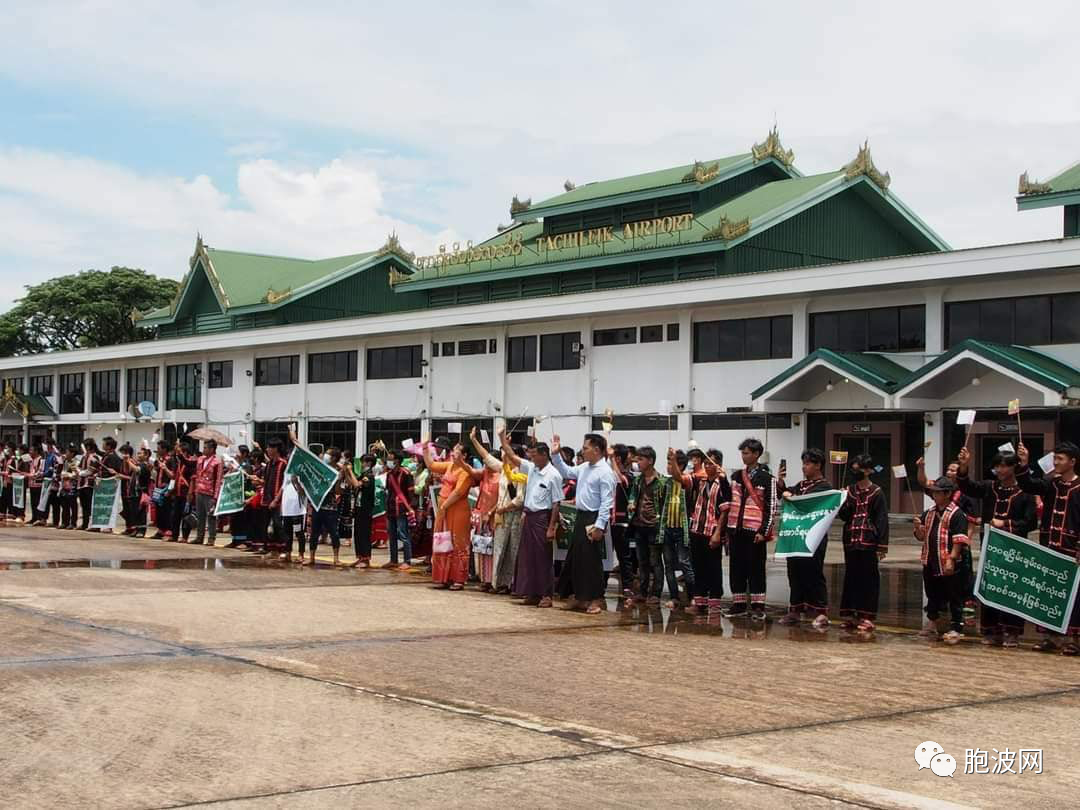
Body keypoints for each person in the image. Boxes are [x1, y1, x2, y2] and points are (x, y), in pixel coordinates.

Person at [956, 446, 1037, 647]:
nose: (1000, 470)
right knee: (991, 587)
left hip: (1014, 549)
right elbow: (968, 487)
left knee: (1011, 589)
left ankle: (1012, 632)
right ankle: (992, 630)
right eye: (997, 466)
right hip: (991, 548)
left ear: (1014, 467)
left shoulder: (1025, 492)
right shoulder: (990, 487)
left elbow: (1031, 522)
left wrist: (1006, 524)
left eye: (1004, 466)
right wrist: (964, 467)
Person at [1016, 441, 1080, 654]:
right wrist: (1024, 463)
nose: (1056, 462)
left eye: (1060, 459)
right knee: (1049, 593)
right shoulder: (1051, 484)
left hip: (1073, 551)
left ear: (1072, 462)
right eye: (1055, 458)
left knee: (1075, 596)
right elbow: (1027, 484)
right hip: (1050, 548)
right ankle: (1051, 637)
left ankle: (1074, 640)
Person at [551, 432, 615, 614]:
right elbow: (566, 471)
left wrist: (600, 526)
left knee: (591, 560)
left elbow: (606, 502)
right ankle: (579, 597)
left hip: (594, 518)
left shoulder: (605, 472)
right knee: (576, 558)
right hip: (581, 516)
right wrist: (555, 454)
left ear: (596, 450)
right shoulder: (585, 467)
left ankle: (596, 598)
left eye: (585, 448)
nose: (582, 451)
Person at [498, 429, 561, 607]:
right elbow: (511, 456)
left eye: (534, 455)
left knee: (543, 558)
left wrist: (551, 527)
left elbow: (556, 503)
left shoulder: (553, 475)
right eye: (530, 455)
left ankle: (546, 595)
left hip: (543, 518)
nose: (531, 458)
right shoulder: (532, 468)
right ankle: (532, 592)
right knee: (527, 557)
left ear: (544, 455)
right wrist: (502, 438)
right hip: (530, 516)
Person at [778, 449, 833, 628]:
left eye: (808, 463)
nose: (804, 467)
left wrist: (791, 497)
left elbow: (807, 502)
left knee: (813, 572)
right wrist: (783, 488)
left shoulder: (824, 487)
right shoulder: (800, 485)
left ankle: (821, 611)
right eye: (803, 463)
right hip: (795, 535)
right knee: (794, 572)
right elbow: (786, 492)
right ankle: (795, 609)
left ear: (818, 465)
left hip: (813, 536)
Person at [913, 476, 971, 644]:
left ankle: (956, 627)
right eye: (934, 492)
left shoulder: (956, 513)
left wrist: (952, 559)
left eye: (938, 492)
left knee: (954, 594)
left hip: (947, 560)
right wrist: (918, 528)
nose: (935, 495)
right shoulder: (929, 513)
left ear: (947, 494)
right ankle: (933, 622)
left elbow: (960, 539)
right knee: (932, 593)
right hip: (930, 560)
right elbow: (921, 536)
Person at [836, 453, 889, 632]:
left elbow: (882, 519)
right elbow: (844, 516)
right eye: (853, 467)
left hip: (869, 541)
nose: (854, 471)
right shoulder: (849, 491)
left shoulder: (877, 492)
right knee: (851, 577)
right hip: (851, 539)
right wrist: (841, 501)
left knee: (869, 579)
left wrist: (882, 545)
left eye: (858, 468)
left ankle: (867, 616)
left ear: (867, 470)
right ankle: (850, 615)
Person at [724, 438, 776, 620]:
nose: (743, 456)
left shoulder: (767, 479)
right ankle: (738, 604)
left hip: (755, 532)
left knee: (756, 568)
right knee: (736, 568)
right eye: (742, 453)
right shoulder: (736, 477)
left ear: (756, 454)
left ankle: (757, 606)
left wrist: (764, 531)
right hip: (736, 530)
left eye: (746, 453)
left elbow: (771, 507)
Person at [424, 437, 474, 590]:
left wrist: (445, 505)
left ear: (464, 455)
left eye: (457, 450)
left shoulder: (466, 471)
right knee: (443, 542)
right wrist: (425, 448)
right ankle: (443, 577)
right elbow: (431, 465)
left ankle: (458, 579)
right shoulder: (450, 465)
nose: (453, 452)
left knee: (457, 543)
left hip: (457, 509)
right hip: (444, 508)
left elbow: (459, 492)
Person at [687, 449, 730, 615]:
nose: (706, 466)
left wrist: (718, 533)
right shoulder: (701, 481)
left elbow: (725, 511)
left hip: (712, 531)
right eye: (705, 463)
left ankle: (714, 603)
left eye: (710, 463)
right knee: (698, 567)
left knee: (713, 568)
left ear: (718, 465)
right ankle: (700, 602)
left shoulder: (723, 484)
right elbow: (680, 478)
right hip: (697, 529)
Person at [608, 444, 638, 598]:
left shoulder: (629, 475)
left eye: (613, 455)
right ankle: (601, 583)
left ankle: (628, 586)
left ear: (618, 458)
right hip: (607, 521)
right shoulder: (608, 472)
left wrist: (611, 459)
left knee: (623, 556)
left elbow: (620, 481)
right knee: (605, 555)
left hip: (621, 522)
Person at [384, 448, 417, 571]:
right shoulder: (389, 474)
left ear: (397, 460)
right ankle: (393, 560)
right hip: (391, 507)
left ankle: (407, 561)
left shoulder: (406, 473)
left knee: (403, 535)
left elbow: (411, 492)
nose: (388, 461)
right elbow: (388, 490)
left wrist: (411, 508)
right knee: (391, 535)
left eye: (391, 459)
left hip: (402, 508)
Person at [190, 439, 223, 546]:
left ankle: (211, 538)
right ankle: (199, 537)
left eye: (205, 447)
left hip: (210, 492)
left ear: (212, 449)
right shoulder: (200, 460)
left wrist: (216, 496)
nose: (203, 450)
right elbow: (197, 474)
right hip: (199, 490)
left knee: (211, 516)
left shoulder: (217, 462)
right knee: (200, 515)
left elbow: (218, 480)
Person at [259, 437, 288, 555]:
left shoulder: (283, 464)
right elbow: (266, 481)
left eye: (270, 447)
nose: (267, 449)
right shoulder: (269, 464)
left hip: (278, 499)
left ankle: (283, 548)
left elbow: (284, 484)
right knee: (264, 524)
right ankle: (268, 547)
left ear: (276, 449)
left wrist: (276, 499)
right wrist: (259, 481)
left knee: (278, 524)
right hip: (266, 498)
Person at [351, 453, 377, 568]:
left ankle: (366, 559)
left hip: (365, 509)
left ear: (369, 463)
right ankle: (360, 557)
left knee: (364, 534)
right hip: (358, 508)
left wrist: (350, 471)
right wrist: (347, 472)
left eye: (363, 462)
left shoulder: (369, 476)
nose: (361, 464)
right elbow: (352, 482)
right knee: (357, 533)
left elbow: (356, 484)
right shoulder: (363, 474)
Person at [76, 438, 101, 531]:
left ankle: (93, 524)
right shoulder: (84, 457)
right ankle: (85, 523)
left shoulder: (95, 457)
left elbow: (90, 471)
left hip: (89, 485)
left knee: (90, 505)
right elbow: (78, 467)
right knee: (84, 506)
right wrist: (79, 471)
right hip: (81, 484)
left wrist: (81, 473)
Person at [57, 445, 79, 529]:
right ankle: (64, 522)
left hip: (72, 486)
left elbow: (76, 474)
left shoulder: (76, 462)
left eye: (67, 452)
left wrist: (68, 475)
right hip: (64, 485)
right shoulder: (65, 462)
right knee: (64, 505)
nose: (66, 454)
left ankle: (73, 523)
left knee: (72, 505)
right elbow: (62, 471)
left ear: (72, 453)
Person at [27, 444, 45, 525]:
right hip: (31, 484)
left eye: (32, 450)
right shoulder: (31, 460)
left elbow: (40, 471)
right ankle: (34, 517)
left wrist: (33, 475)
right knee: (33, 502)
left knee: (38, 502)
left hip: (38, 484)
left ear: (36, 451)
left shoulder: (41, 459)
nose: (30, 452)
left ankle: (39, 517)